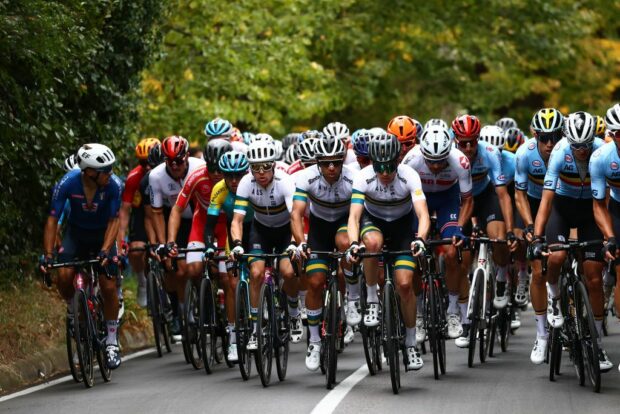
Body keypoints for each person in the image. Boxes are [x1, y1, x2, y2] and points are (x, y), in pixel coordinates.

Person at [531, 111, 611, 370]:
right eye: (576, 146)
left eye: (586, 145)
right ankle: (554, 297)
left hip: (590, 211)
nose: (581, 151)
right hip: (562, 209)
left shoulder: (601, 151)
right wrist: (537, 237)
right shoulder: (558, 153)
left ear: (593, 140)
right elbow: (546, 200)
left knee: (595, 276)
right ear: (568, 140)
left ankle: (597, 343)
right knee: (556, 256)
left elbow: (605, 201)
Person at [346, 133, 430, 370]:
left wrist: (421, 239)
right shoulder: (363, 177)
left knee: (405, 285)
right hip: (374, 221)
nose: (384, 172)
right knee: (371, 244)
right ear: (372, 162)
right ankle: (372, 299)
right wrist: (354, 243)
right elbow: (353, 216)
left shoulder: (409, 176)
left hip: (403, 226)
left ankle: (411, 344)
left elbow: (422, 214)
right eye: (379, 166)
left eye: (389, 165)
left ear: (398, 159)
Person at [40, 143, 123, 369]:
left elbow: (115, 220)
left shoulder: (113, 185)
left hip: (101, 235)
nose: (111, 173)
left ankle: (112, 342)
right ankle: (72, 307)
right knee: (64, 277)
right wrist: (48, 255)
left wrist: (106, 250)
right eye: (105, 170)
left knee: (108, 285)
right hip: (75, 235)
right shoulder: (66, 183)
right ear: (88, 172)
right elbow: (51, 220)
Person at [450, 115, 517, 348]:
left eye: (472, 142)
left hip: (486, 197)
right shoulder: (448, 153)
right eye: (463, 142)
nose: (468, 147)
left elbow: (502, 195)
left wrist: (509, 231)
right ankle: (466, 319)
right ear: (455, 140)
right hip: (460, 201)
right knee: (460, 261)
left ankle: (500, 278)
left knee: (497, 238)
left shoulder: (490, 152)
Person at [402, 125, 473, 344]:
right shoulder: (411, 160)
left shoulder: (460, 162)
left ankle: (452, 311)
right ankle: (420, 313)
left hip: (446, 199)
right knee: (413, 253)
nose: (435, 166)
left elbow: (468, 200)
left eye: (440, 161)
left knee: (453, 251)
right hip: (418, 198)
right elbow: (403, 197)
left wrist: (459, 228)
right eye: (430, 161)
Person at [230, 140, 300, 349]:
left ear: (273, 165)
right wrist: (236, 244)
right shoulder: (245, 182)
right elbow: (237, 220)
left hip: (285, 230)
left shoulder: (284, 181)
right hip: (260, 231)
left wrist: (295, 242)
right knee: (256, 272)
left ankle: (294, 309)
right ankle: (255, 328)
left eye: (265, 167)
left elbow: (295, 215)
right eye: (255, 168)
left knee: (288, 272)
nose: (260, 173)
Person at [149, 135, 205, 339]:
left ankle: (209, 296)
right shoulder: (155, 176)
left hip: (200, 217)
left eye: (179, 161)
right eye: (170, 162)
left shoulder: (200, 167)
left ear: (187, 157)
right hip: (175, 218)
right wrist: (164, 245)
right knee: (177, 269)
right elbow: (156, 213)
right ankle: (184, 311)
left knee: (208, 265)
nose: (175, 166)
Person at [514, 108, 564, 335]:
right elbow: (519, 195)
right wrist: (531, 226)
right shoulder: (524, 154)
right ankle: (541, 334)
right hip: (533, 204)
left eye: (555, 137)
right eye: (544, 138)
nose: (550, 143)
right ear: (536, 137)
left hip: (560, 205)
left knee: (562, 256)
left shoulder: (567, 153)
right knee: (537, 268)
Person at [118, 138, 160, 307]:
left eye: (150, 162)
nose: (147, 166)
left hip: (164, 210)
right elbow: (124, 211)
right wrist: (121, 239)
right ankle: (143, 282)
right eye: (143, 163)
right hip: (142, 212)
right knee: (136, 250)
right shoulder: (134, 177)